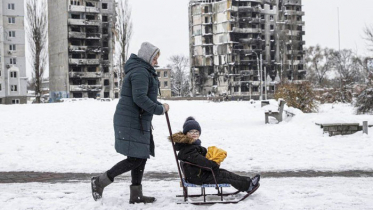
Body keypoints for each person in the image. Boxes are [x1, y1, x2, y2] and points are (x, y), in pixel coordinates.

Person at [91, 42, 170, 204]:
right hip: (131, 119)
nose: (156, 62)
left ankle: (136, 194)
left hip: (137, 119)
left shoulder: (143, 70)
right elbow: (140, 98)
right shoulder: (140, 71)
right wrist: (160, 109)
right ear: (147, 57)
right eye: (154, 58)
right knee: (136, 158)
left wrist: (157, 107)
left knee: (140, 156)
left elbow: (143, 96)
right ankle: (99, 182)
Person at [171, 117, 260, 193]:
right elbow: (201, 161)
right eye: (191, 132)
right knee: (224, 177)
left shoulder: (190, 145)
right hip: (198, 177)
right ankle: (248, 186)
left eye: (196, 132)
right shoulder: (188, 148)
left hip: (199, 173)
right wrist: (214, 164)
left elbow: (200, 159)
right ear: (186, 134)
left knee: (225, 173)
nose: (194, 134)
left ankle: (248, 182)